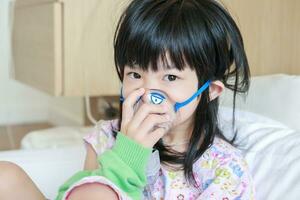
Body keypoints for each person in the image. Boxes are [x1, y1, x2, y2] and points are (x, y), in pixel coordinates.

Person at [0, 0, 255, 199]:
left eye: (170, 77)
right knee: (5, 178)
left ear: (210, 91)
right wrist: (126, 154)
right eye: (135, 74)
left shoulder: (224, 169)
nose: (148, 92)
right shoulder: (106, 137)